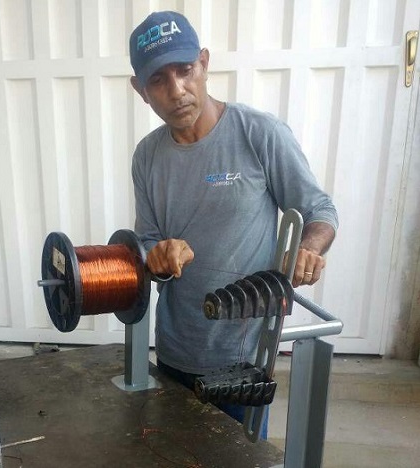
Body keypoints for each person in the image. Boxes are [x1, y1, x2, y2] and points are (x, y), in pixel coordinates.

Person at [128, 11, 338, 438]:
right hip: (174, 349)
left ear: (204, 63)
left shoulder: (259, 134)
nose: (177, 90)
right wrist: (158, 255)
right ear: (140, 90)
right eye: (158, 80)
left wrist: (308, 248)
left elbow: (319, 211)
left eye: (185, 70)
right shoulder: (147, 157)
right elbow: (146, 242)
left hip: (243, 359)